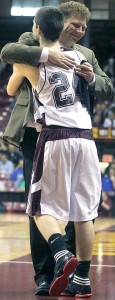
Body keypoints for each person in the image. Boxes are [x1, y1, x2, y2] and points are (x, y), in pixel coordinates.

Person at [0, 0, 113, 296]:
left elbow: (11, 83)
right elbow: (9, 50)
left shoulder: (81, 55)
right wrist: (47, 52)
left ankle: (65, 258)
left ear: (40, 27)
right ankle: (54, 275)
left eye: (83, 27)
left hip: (53, 134)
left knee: (42, 206)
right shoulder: (38, 45)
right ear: (59, 23)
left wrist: (90, 76)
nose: (80, 30)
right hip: (73, 136)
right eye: (75, 24)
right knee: (80, 209)